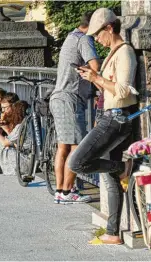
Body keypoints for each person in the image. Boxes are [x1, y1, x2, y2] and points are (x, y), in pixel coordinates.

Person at [69, 8, 139, 245]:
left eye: (98, 34)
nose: (96, 39)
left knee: (77, 162)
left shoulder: (124, 52)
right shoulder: (112, 53)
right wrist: (94, 78)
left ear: (109, 27)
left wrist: (97, 79)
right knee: (109, 178)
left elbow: (123, 91)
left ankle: (120, 167)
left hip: (117, 118)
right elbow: (110, 91)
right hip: (110, 115)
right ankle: (113, 232)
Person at [50, 11, 100, 204]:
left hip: (59, 96)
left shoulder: (71, 36)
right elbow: (94, 66)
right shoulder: (84, 39)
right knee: (77, 147)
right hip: (70, 98)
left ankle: (60, 190)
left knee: (63, 146)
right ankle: (67, 191)